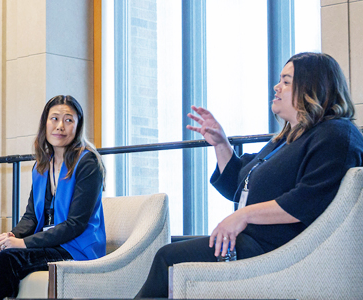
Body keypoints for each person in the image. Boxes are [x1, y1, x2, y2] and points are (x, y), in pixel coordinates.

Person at [136, 52, 363, 298]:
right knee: (170, 255)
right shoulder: (287, 139)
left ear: (314, 88)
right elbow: (239, 183)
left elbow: (309, 199)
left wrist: (243, 215)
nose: (277, 87)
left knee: (168, 258)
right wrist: (221, 144)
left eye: (287, 81)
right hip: (254, 242)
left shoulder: (336, 134)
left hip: (279, 250)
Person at [0, 95, 106, 300]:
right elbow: (32, 217)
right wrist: (12, 236)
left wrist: (23, 244)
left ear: (78, 126)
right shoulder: (42, 165)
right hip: (50, 243)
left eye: (68, 120)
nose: (60, 126)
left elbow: (75, 225)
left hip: (75, 248)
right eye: (54, 119)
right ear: (45, 123)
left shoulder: (88, 163)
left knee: (9, 258)